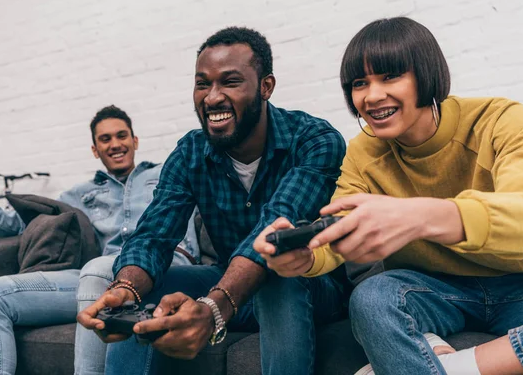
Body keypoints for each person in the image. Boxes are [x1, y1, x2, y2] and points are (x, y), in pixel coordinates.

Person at [254, 16, 523, 375]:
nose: (372, 96)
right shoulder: (364, 153)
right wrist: (305, 259)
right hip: (435, 290)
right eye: (359, 83)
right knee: (372, 297)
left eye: (390, 76)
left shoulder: (500, 121)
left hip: (518, 283)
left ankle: (455, 368)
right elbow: (340, 230)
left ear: (427, 74)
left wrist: (423, 217)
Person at [77, 26, 347, 375]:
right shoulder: (190, 151)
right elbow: (154, 236)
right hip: (227, 280)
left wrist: (213, 308)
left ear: (266, 86)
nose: (212, 97)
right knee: (137, 297)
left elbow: (275, 226)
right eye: (202, 84)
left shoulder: (314, 141)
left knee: (279, 270)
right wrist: (126, 289)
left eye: (230, 82)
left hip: (308, 286)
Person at [0, 105, 200, 375]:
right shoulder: (78, 194)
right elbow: (19, 222)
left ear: (134, 140)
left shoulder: (167, 174)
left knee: (97, 268)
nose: (115, 144)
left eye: (122, 135)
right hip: (95, 282)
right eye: (105, 139)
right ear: (95, 150)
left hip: (162, 266)